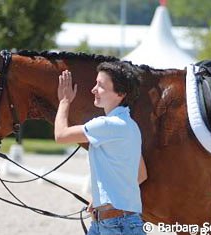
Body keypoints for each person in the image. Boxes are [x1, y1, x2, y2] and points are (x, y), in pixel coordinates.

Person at [54, 61, 147, 235]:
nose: (93, 89)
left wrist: (64, 101)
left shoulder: (108, 124)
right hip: (111, 222)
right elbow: (141, 174)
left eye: (101, 85)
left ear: (120, 93)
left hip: (115, 225)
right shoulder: (131, 126)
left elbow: (60, 135)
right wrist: (103, 200)